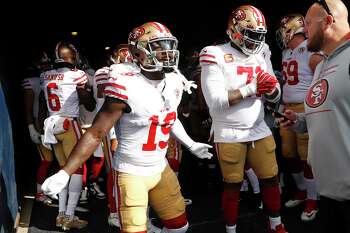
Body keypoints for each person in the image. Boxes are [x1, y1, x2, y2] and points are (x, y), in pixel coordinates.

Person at [42, 22, 213, 233]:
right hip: (131, 172)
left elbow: (169, 117)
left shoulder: (174, 81)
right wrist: (65, 172)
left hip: (161, 168)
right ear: (138, 52)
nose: (167, 52)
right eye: (158, 47)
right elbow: (96, 132)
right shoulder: (126, 84)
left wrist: (191, 144)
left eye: (168, 45)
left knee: (179, 227)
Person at [200, 5, 287, 233]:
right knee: (233, 185)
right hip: (229, 132)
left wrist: (270, 91)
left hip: (258, 127)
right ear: (234, 30)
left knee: (270, 178)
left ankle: (276, 225)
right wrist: (252, 88)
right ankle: (231, 229)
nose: (254, 42)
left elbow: (275, 93)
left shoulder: (261, 52)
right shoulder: (214, 53)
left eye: (259, 36)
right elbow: (215, 101)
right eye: (250, 35)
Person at [277, 0, 350, 232]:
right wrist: (298, 122)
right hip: (329, 192)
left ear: (328, 21)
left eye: (308, 23)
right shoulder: (321, 65)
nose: (304, 29)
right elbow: (327, 114)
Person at [39, 42, 95, 230]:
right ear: (70, 57)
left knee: (62, 170)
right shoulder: (77, 75)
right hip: (69, 125)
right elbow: (89, 105)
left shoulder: (45, 76)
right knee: (75, 170)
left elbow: (41, 102)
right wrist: (86, 92)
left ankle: (61, 214)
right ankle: (69, 215)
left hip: (52, 126)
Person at [275, 13, 323, 221]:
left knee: (306, 158)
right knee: (288, 153)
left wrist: (315, 109)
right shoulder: (286, 52)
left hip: (305, 108)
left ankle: (313, 198)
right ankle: (302, 191)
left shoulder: (312, 50)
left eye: (282, 30)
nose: (280, 35)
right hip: (287, 108)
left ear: (291, 29)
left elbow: (322, 83)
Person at [22, 52, 54, 205]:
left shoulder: (53, 78)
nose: (46, 66)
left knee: (59, 160)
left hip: (54, 123)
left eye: (48, 63)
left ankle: (51, 189)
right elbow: (28, 108)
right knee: (46, 160)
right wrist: (31, 128)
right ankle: (40, 192)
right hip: (39, 124)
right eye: (43, 64)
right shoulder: (33, 82)